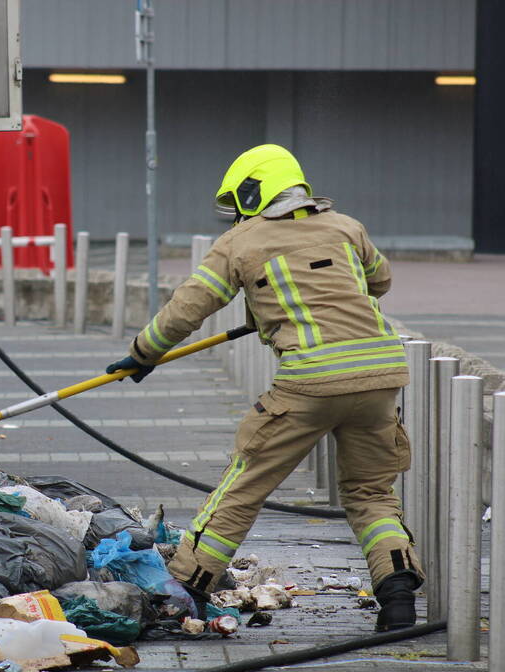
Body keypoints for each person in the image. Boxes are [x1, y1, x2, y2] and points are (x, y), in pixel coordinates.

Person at [106, 144, 423, 631]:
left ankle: (186, 587)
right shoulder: (347, 227)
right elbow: (377, 281)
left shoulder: (241, 240)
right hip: (381, 376)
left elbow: (190, 305)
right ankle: (398, 596)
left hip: (310, 382)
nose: (234, 214)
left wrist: (143, 353)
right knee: (372, 493)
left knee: (244, 484)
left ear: (253, 192)